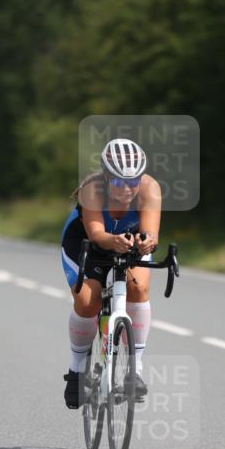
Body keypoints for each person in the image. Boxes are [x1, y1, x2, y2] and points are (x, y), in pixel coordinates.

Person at [60, 138, 160, 409]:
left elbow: (151, 233)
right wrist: (112, 241)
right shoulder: (92, 190)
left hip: (127, 241)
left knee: (138, 288)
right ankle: (77, 370)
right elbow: (97, 234)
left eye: (133, 182)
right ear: (106, 177)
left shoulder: (150, 189)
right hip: (86, 243)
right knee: (87, 301)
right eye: (118, 182)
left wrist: (147, 241)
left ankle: (135, 370)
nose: (127, 189)